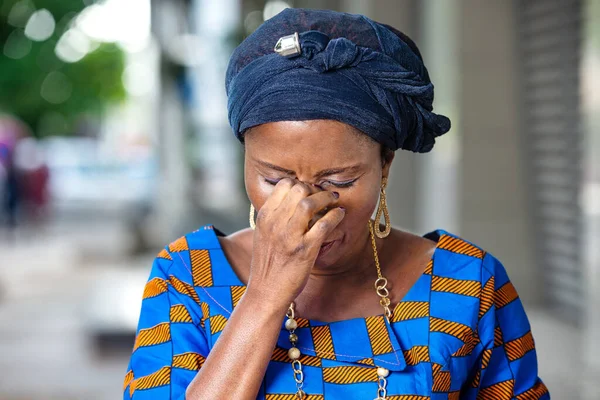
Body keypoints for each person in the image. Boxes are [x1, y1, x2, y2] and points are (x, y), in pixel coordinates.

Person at [123, 8, 549, 400]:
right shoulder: (187, 278)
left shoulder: (467, 283)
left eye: (339, 181)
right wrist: (266, 295)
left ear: (385, 166)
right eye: (274, 179)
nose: (306, 206)